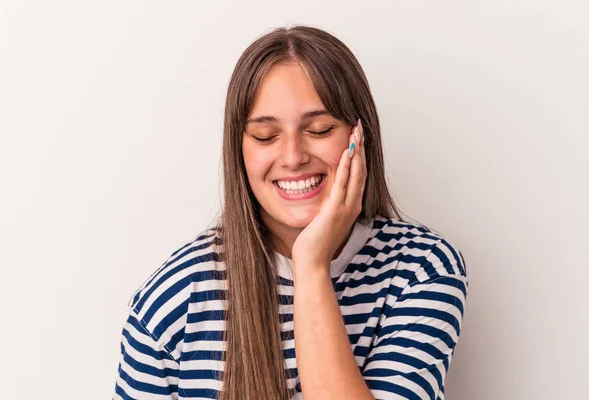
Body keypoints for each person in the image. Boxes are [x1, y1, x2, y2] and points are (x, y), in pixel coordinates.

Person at [113, 24, 468, 400]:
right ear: (239, 151)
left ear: (359, 136)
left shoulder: (421, 268)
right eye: (266, 136)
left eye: (319, 129)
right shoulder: (175, 297)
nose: (294, 156)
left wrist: (311, 266)